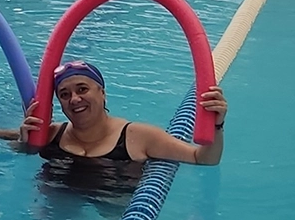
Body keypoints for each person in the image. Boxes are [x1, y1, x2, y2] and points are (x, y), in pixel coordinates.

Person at [20, 60, 228, 166]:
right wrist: (25, 144)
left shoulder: (138, 137)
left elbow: (202, 159)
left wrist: (216, 126)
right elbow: (6, 137)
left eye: (82, 89)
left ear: (102, 93)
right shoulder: (51, 134)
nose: (74, 99)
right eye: (64, 94)